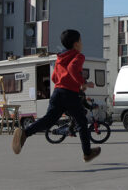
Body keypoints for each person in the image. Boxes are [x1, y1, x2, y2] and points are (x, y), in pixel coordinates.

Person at [12, 29, 101, 162]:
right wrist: (83, 83)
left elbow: (54, 77)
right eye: (81, 41)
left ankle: (24, 133)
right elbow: (71, 69)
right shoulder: (78, 55)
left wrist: (70, 82)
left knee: (49, 120)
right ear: (76, 44)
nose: (82, 44)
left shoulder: (60, 57)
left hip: (58, 92)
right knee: (82, 122)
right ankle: (87, 153)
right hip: (70, 94)